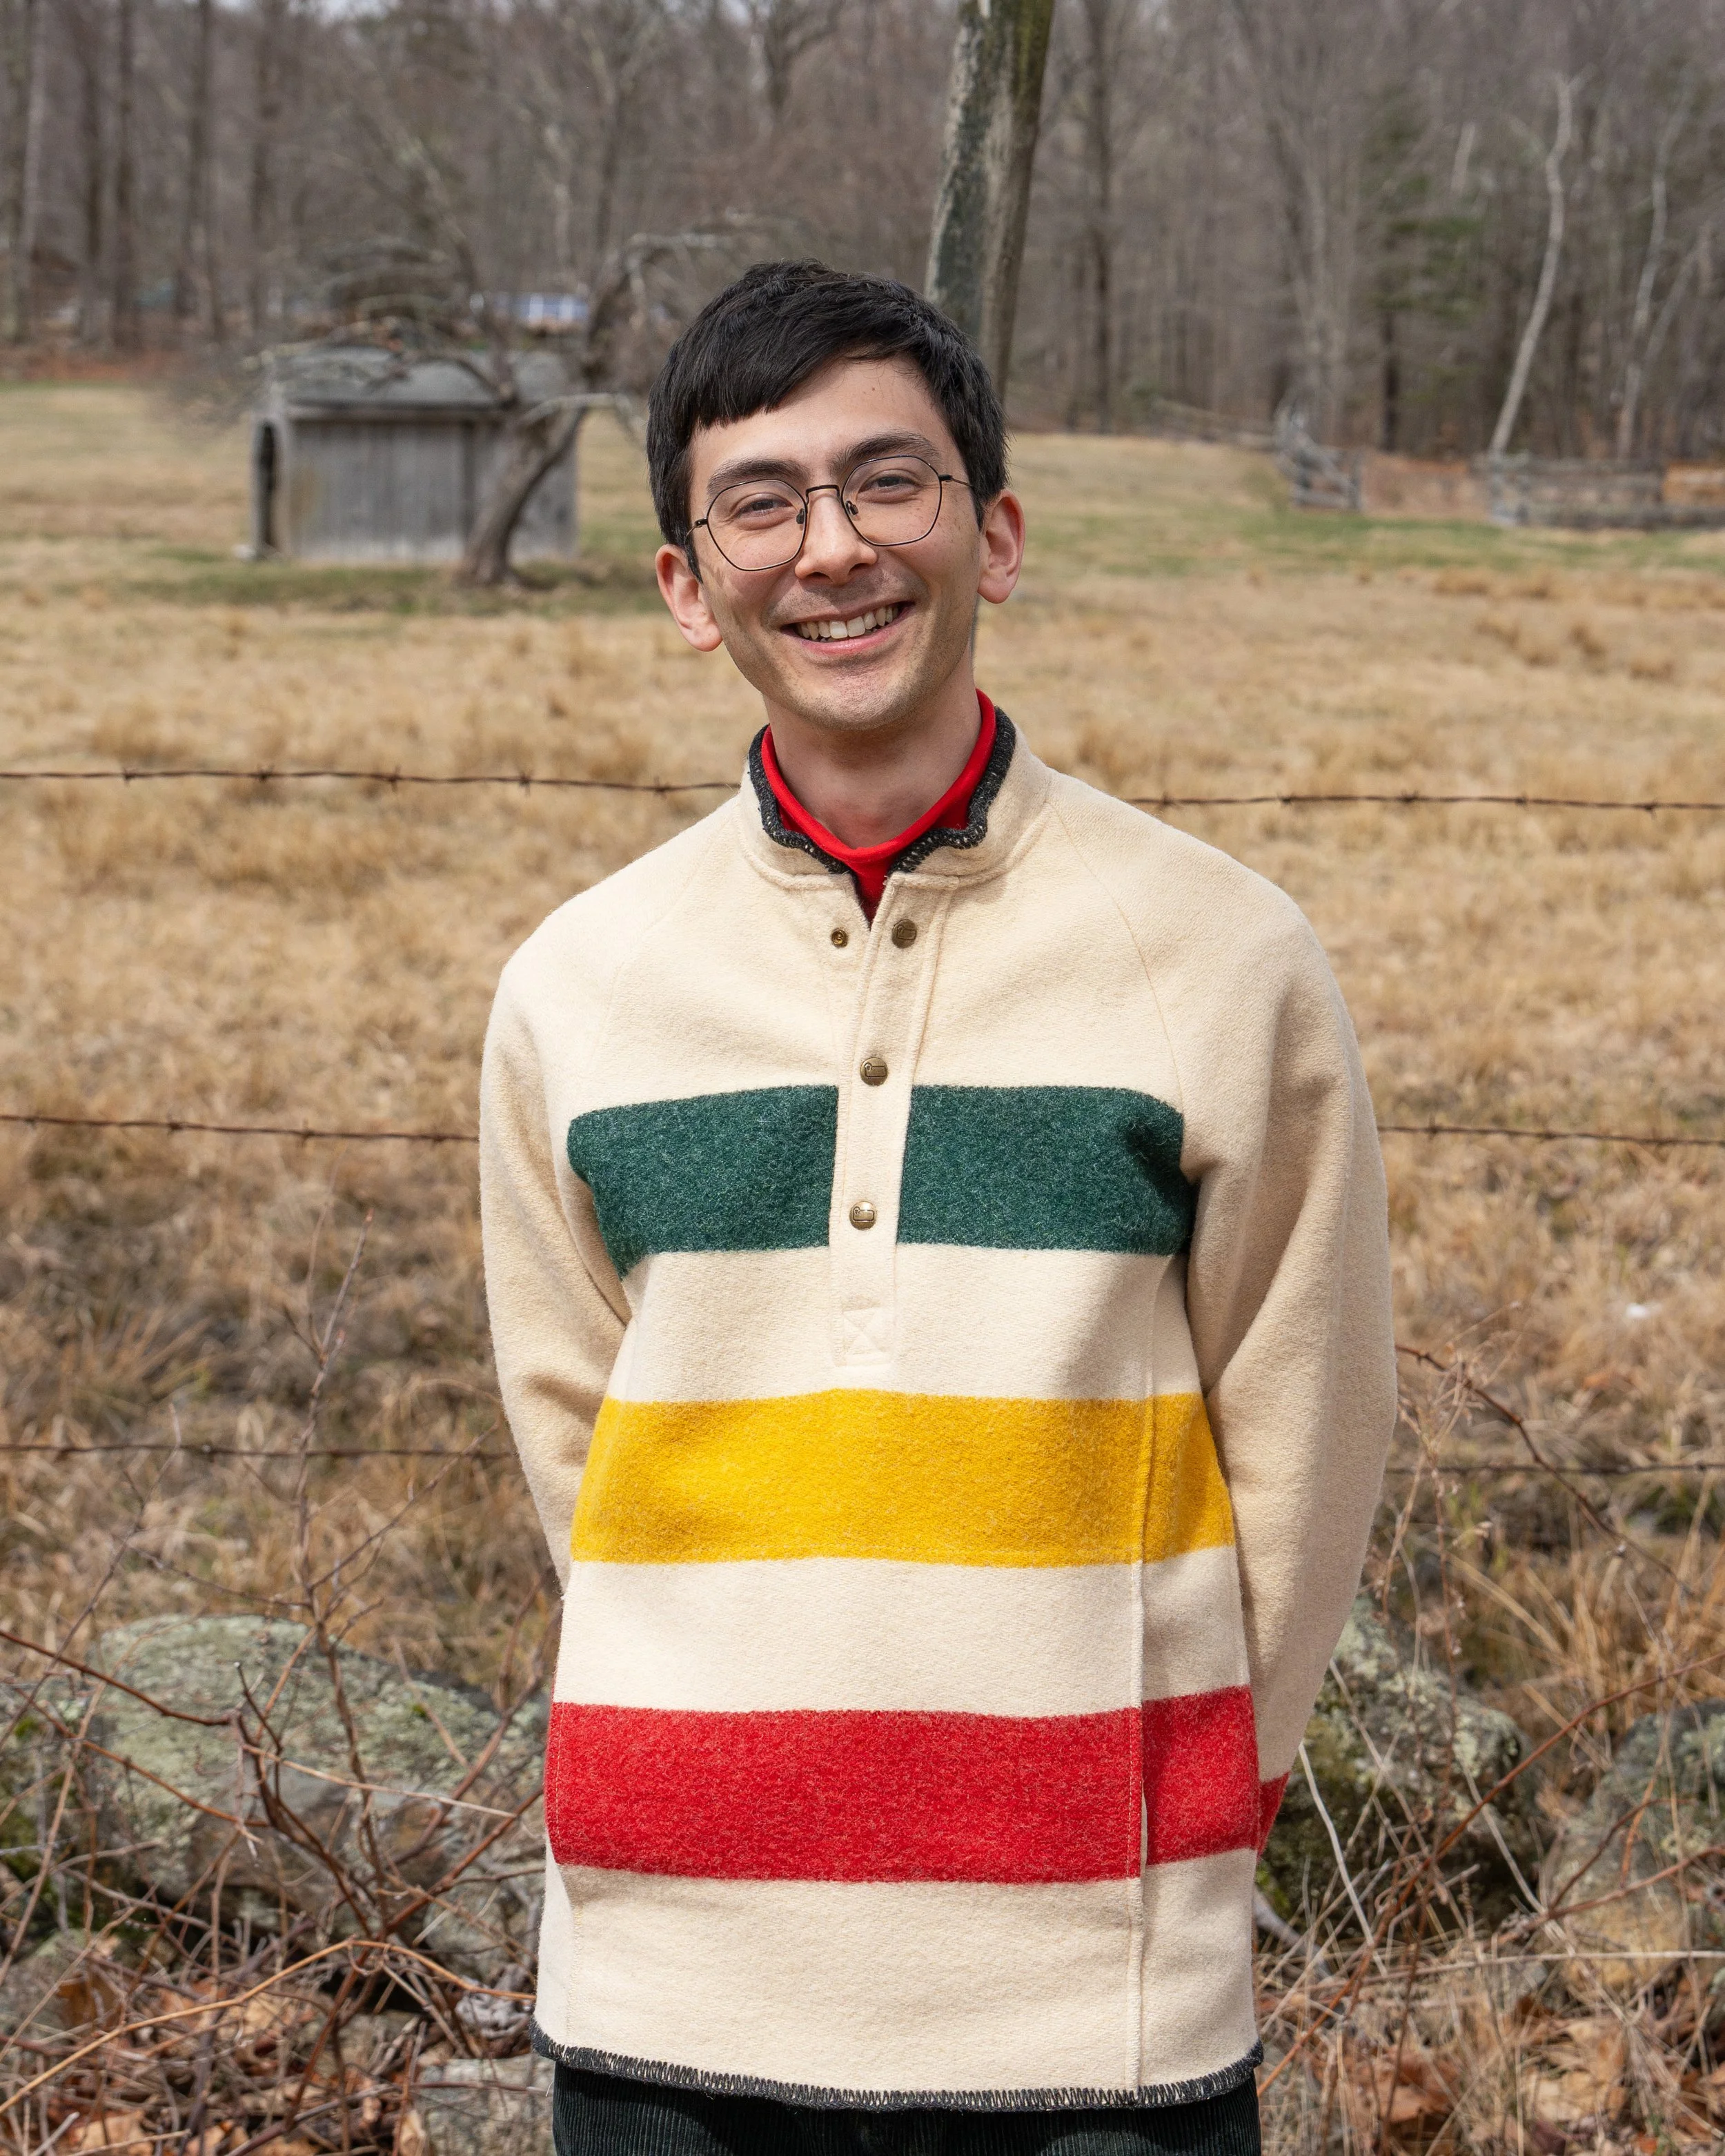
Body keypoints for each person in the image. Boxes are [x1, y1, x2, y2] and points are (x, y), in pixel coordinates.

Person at [480, 259, 1396, 2156]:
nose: (832, 550)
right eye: (759, 504)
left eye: (887, 482)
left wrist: (1198, 1795)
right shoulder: (578, 986)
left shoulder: (1221, 957)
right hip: (669, 1983)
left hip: (1096, 1997)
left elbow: (1304, 1423)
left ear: (996, 531)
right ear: (687, 586)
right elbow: (579, 1448)